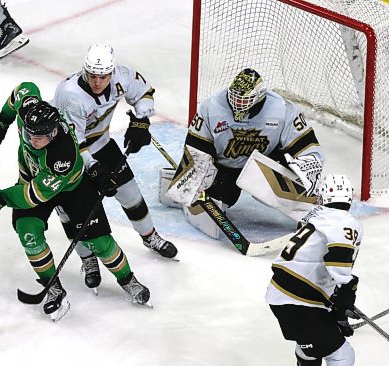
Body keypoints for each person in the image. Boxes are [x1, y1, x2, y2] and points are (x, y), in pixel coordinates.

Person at [0, 82, 150, 320]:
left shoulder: (61, 157)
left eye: (39, 138)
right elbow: (23, 90)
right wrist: (0, 120)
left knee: (100, 242)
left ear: (53, 133)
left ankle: (128, 280)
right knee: (27, 231)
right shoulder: (30, 115)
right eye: (28, 134)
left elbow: (32, 196)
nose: (32, 141)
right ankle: (52, 286)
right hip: (32, 182)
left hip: (71, 188)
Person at [50, 44, 178, 264]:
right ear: (84, 71)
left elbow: (144, 93)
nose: (97, 82)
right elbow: (75, 143)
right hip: (68, 154)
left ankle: (149, 236)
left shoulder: (123, 76)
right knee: (74, 211)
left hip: (102, 144)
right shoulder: (71, 96)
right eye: (92, 76)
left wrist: (141, 120)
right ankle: (87, 258)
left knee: (131, 194)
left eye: (103, 76)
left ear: (111, 72)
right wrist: (94, 169)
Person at [166, 68, 325, 235]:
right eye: (235, 97)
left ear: (260, 96)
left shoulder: (282, 109)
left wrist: (306, 172)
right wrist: (192, 184)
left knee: (297, 180)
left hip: (264, 166)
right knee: (213, 208)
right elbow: (196, 149)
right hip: (225, 168)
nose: (237, 103)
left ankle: (307, 210)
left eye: (244, 100)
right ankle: (209, 194)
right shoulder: (211, 107)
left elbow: (307, 147)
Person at [265, 174, 362, 366]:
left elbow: (311, 260)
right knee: (342, 355)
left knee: (309, 346)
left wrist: (336, 303)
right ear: (350, 196)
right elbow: (338, 262)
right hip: (299, 300)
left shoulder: (315, 216)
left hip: (280, 294)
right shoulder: (345, 220)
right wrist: (346, 289)